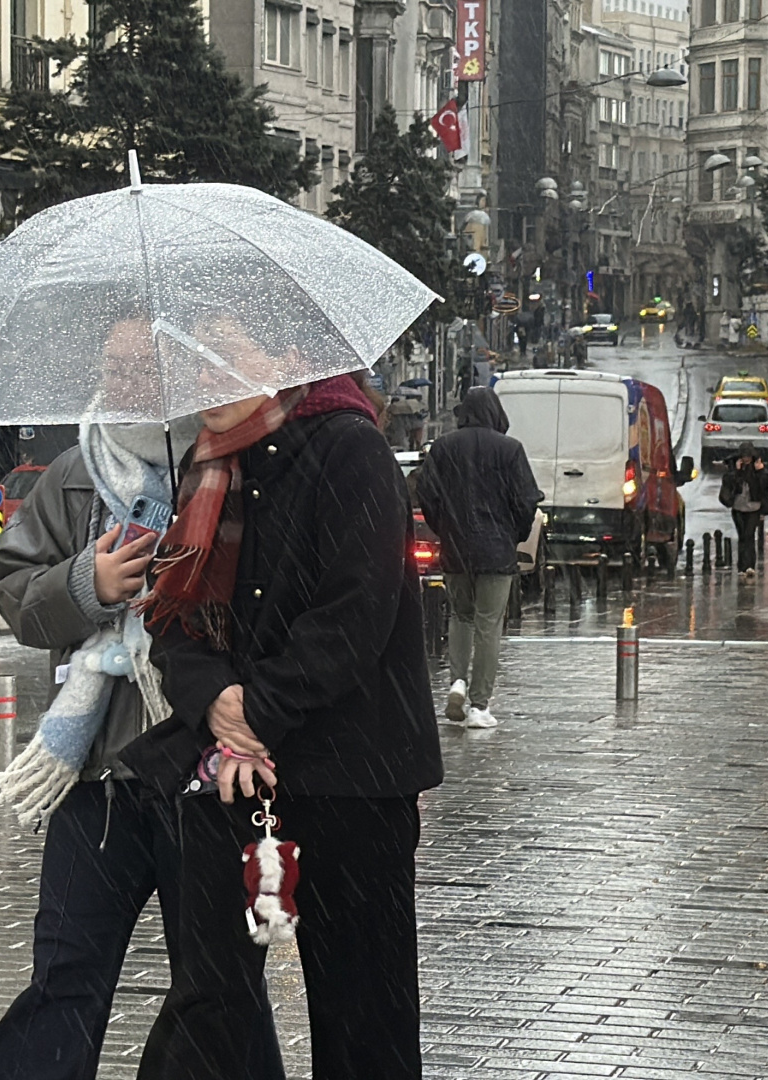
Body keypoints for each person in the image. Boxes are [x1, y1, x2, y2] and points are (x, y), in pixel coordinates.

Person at [0, 328, 284, 1080]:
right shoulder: (76, 474)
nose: (120, 380)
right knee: (64, 980)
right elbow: (11, 589)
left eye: (138, 367)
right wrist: (88, 584)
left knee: (223, 990)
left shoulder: (226, 469)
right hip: (99, 779)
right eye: (110, 366)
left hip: (203, 776)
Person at [123, 369, 444, 1080]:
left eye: (222, 354)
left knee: (363, 1015)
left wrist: (254, 713)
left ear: (282, 354)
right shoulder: (211, 462)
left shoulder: (351, 448)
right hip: (239, 789)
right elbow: (172, 621)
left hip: (352, 785)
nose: (204, 377)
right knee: (210, 1000)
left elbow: (354, 616)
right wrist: (216, 705)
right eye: (194, 359)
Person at [417, 386, 542, 729]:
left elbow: (426, 493)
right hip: (496, 550)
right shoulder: (509, 449)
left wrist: (445, 527)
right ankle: (479, 705)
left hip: (457, 548)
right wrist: (512, 532)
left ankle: (456, 680)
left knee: (460, 616)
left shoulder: (444, 448)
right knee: (489, 624)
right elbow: (527, 500)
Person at [716, 445, 768, 577]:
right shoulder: (735, 468)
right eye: (744, 457)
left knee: (749, 536)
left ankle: (750, 566)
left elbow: (765, 486)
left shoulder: (758, 469)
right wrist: (736, 471)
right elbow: (728, 484)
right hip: (738, 508)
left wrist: (760, 471)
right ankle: (742, 567)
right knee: (742, 537)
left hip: (754, 508)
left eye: (748, 457)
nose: (746, 459)